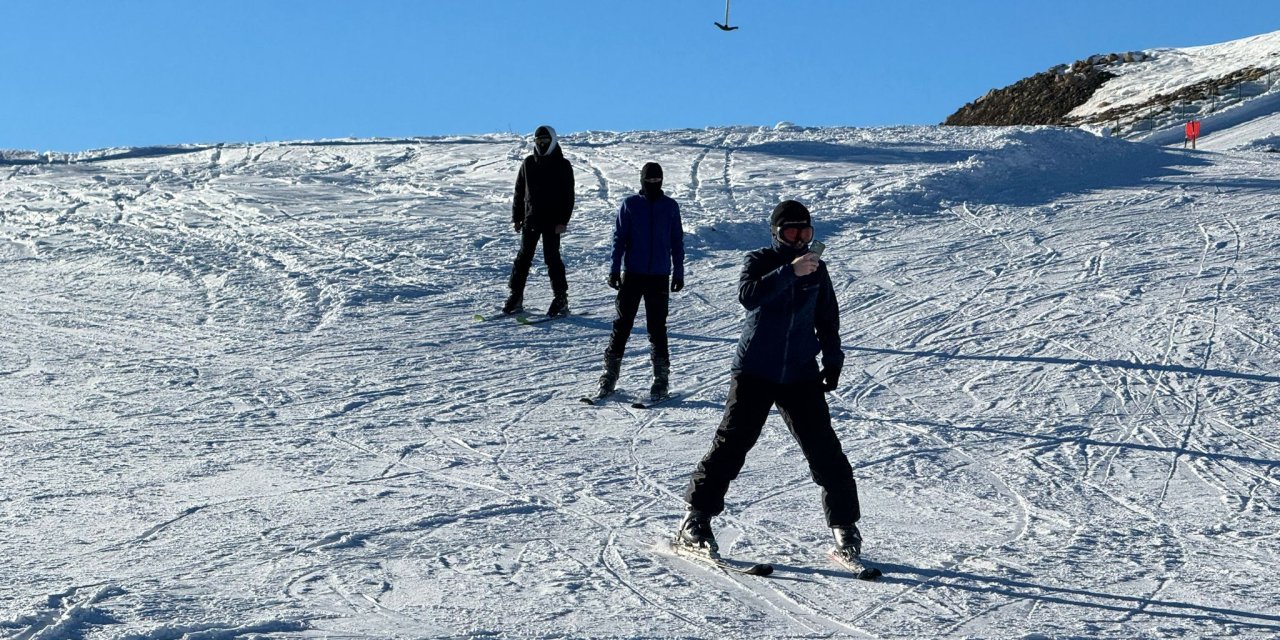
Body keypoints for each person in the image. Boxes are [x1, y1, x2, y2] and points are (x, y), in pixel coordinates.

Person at [676, 200, 863, 566]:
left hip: (799, 373)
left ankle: (845, 527)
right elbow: (749, 297)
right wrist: (789, 273)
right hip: (756, 370)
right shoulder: (760, 261)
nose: (799, 240)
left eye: (805, 232)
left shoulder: (817, 269)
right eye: (791, 232)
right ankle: (694, 520)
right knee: (731, 444)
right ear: (776, 234)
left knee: (825, 451)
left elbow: (827, 316)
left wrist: (833, 356)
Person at [596, 162, 685, 402]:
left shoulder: (670, 207)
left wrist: (678, 272)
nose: (654, 184)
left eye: (658, 181)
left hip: (658, 276)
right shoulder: (630, 205)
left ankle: (661, 380)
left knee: (657, 328)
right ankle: (609, 376)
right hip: (633, 274)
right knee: (622, 325)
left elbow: (677, 240)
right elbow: (619, 239)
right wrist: (615, 269)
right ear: (642, 180)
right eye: (650, 180)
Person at [505, 125, 576, 317]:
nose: (542, 144)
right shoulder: (528, 164)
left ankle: (561, 298)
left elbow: (568, 196)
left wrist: (563, 220)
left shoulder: (563, 165)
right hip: (531, 219)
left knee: (552, 259)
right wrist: (517, 217)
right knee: (523, 258)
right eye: (538, 141)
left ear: (553, 141)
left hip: (553, 223)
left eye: (545, 141)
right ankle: (516, 295)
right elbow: (519, 191)